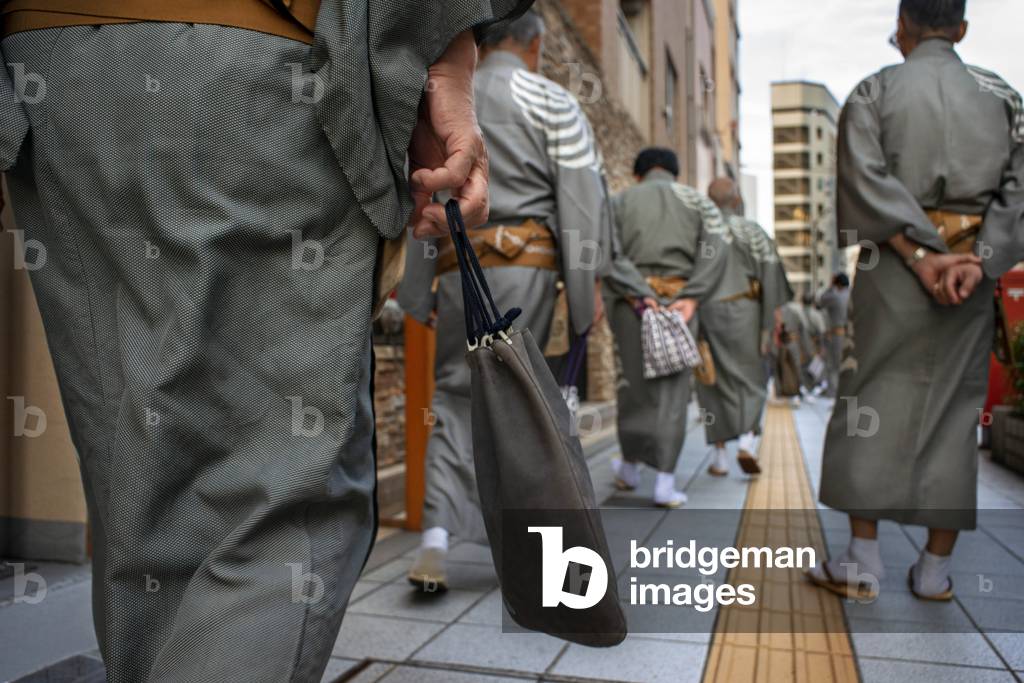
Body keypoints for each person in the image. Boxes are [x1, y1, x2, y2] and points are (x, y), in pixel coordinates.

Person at [0, 1, 531, 680]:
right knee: (270, 504)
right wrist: (446, 52)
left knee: (134, 478)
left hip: (53, 67)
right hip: (261, 60)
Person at [808, 0, 1024, 603]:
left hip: (894, 265)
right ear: (960, 28)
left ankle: (862, 557)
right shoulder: (1005, 97)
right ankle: (934, 570)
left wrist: (923, 254)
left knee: (868, 394)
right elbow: (1021, 189)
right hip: (972, 274)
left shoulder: (874, 91)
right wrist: (978, 258)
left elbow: (861, 177)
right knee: (956, 410)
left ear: (901, 25)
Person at [398, 10, 610, 591]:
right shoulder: (553, 103)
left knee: (455, 397)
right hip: (528, 274)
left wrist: (420, 292)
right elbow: (582, 205)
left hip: (455, 267)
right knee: (528, 404)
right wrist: (585, 290)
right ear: (536, 45)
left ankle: (436, 539)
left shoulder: (444, 103)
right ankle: (533, 549)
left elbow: (425, 191)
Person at [602, 148, 731, 507]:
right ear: (674, 174)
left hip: (634, 305)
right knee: (673, 391)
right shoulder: (698, 203)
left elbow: (606, 250)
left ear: (638, 174)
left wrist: (641, 294)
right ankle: (665, 482)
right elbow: (716, 250)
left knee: (631, 383)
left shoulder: (619, 200)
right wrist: (693, 295)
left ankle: (629, 467)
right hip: (682, 305)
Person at [700, 177, 791, 476]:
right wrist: (771, 322)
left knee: (711, 381)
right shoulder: (753, 231)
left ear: (709, 201)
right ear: (737, 201)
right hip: (746, 311)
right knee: (751, 380)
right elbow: (772, 279)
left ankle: (719, 457)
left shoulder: (701, 231)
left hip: (707, 311)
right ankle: (748, 442)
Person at [819, 273, 851, 398]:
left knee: (833, 365)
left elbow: (821, 300)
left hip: (837, 335)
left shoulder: (835, 296)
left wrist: (830, 286)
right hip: (850, 334)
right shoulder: (852, 295)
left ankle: (833, 392)